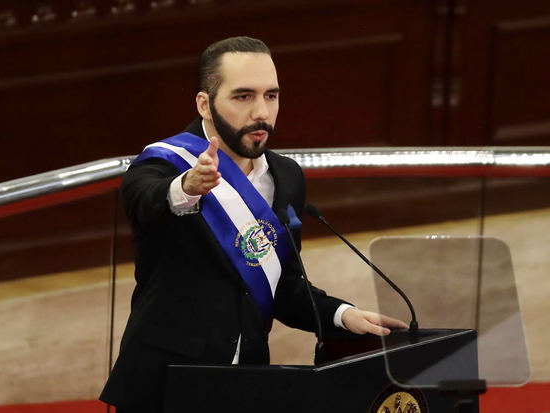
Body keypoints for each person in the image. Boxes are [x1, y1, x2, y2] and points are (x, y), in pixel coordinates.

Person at [100, 36, 406, 413]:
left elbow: (282, 283)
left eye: (271, 96)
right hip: (166, 382)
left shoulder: (287, 177)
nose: (262, 112)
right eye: (243, 97)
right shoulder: (165, 163)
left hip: (248, 383)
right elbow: (144, 199)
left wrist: (340, 314)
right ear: (204, 104)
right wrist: (186, 188)